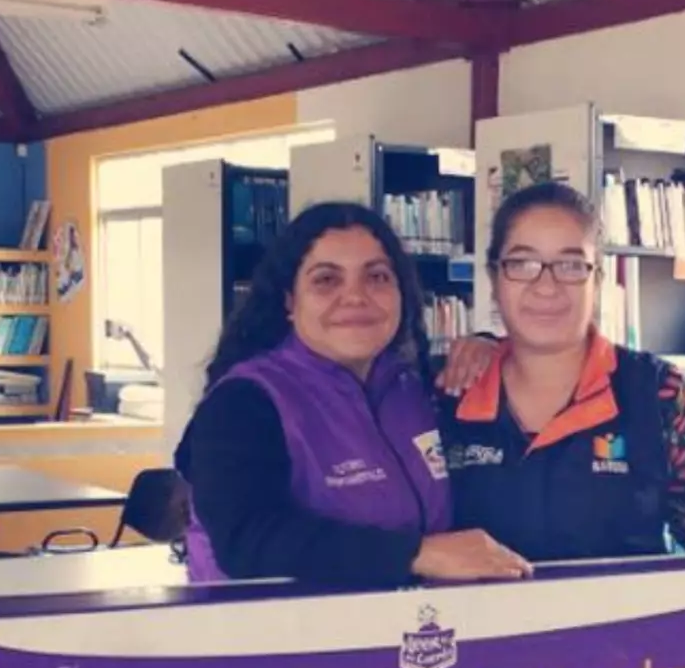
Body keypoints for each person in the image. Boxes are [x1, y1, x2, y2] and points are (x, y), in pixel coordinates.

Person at [437, 182, 685, 593]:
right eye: (522, 263)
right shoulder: (444, 392)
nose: (547, 285)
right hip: (477, 646)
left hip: (625, 644)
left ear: (600, 278)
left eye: (571, 265)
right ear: (494, 277)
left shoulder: (657, 391)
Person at [173, 201, 530, 587]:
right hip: (270, 639)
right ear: (290, 301)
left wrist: (486, 344)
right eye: (327, 280)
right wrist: (417, 554)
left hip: (401, 635)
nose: (355, 297)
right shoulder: (245, 402)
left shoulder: (415, 388)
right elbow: (247, 541)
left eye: (376, 277)